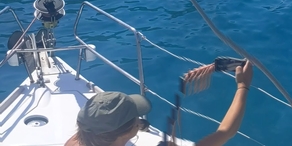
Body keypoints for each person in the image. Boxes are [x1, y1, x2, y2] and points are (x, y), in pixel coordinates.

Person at [65, 61, 254, 146]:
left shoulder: (75, 141)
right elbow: (225, 132)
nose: (139, 119)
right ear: (124, 131)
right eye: (136, 117)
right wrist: (242, 86)